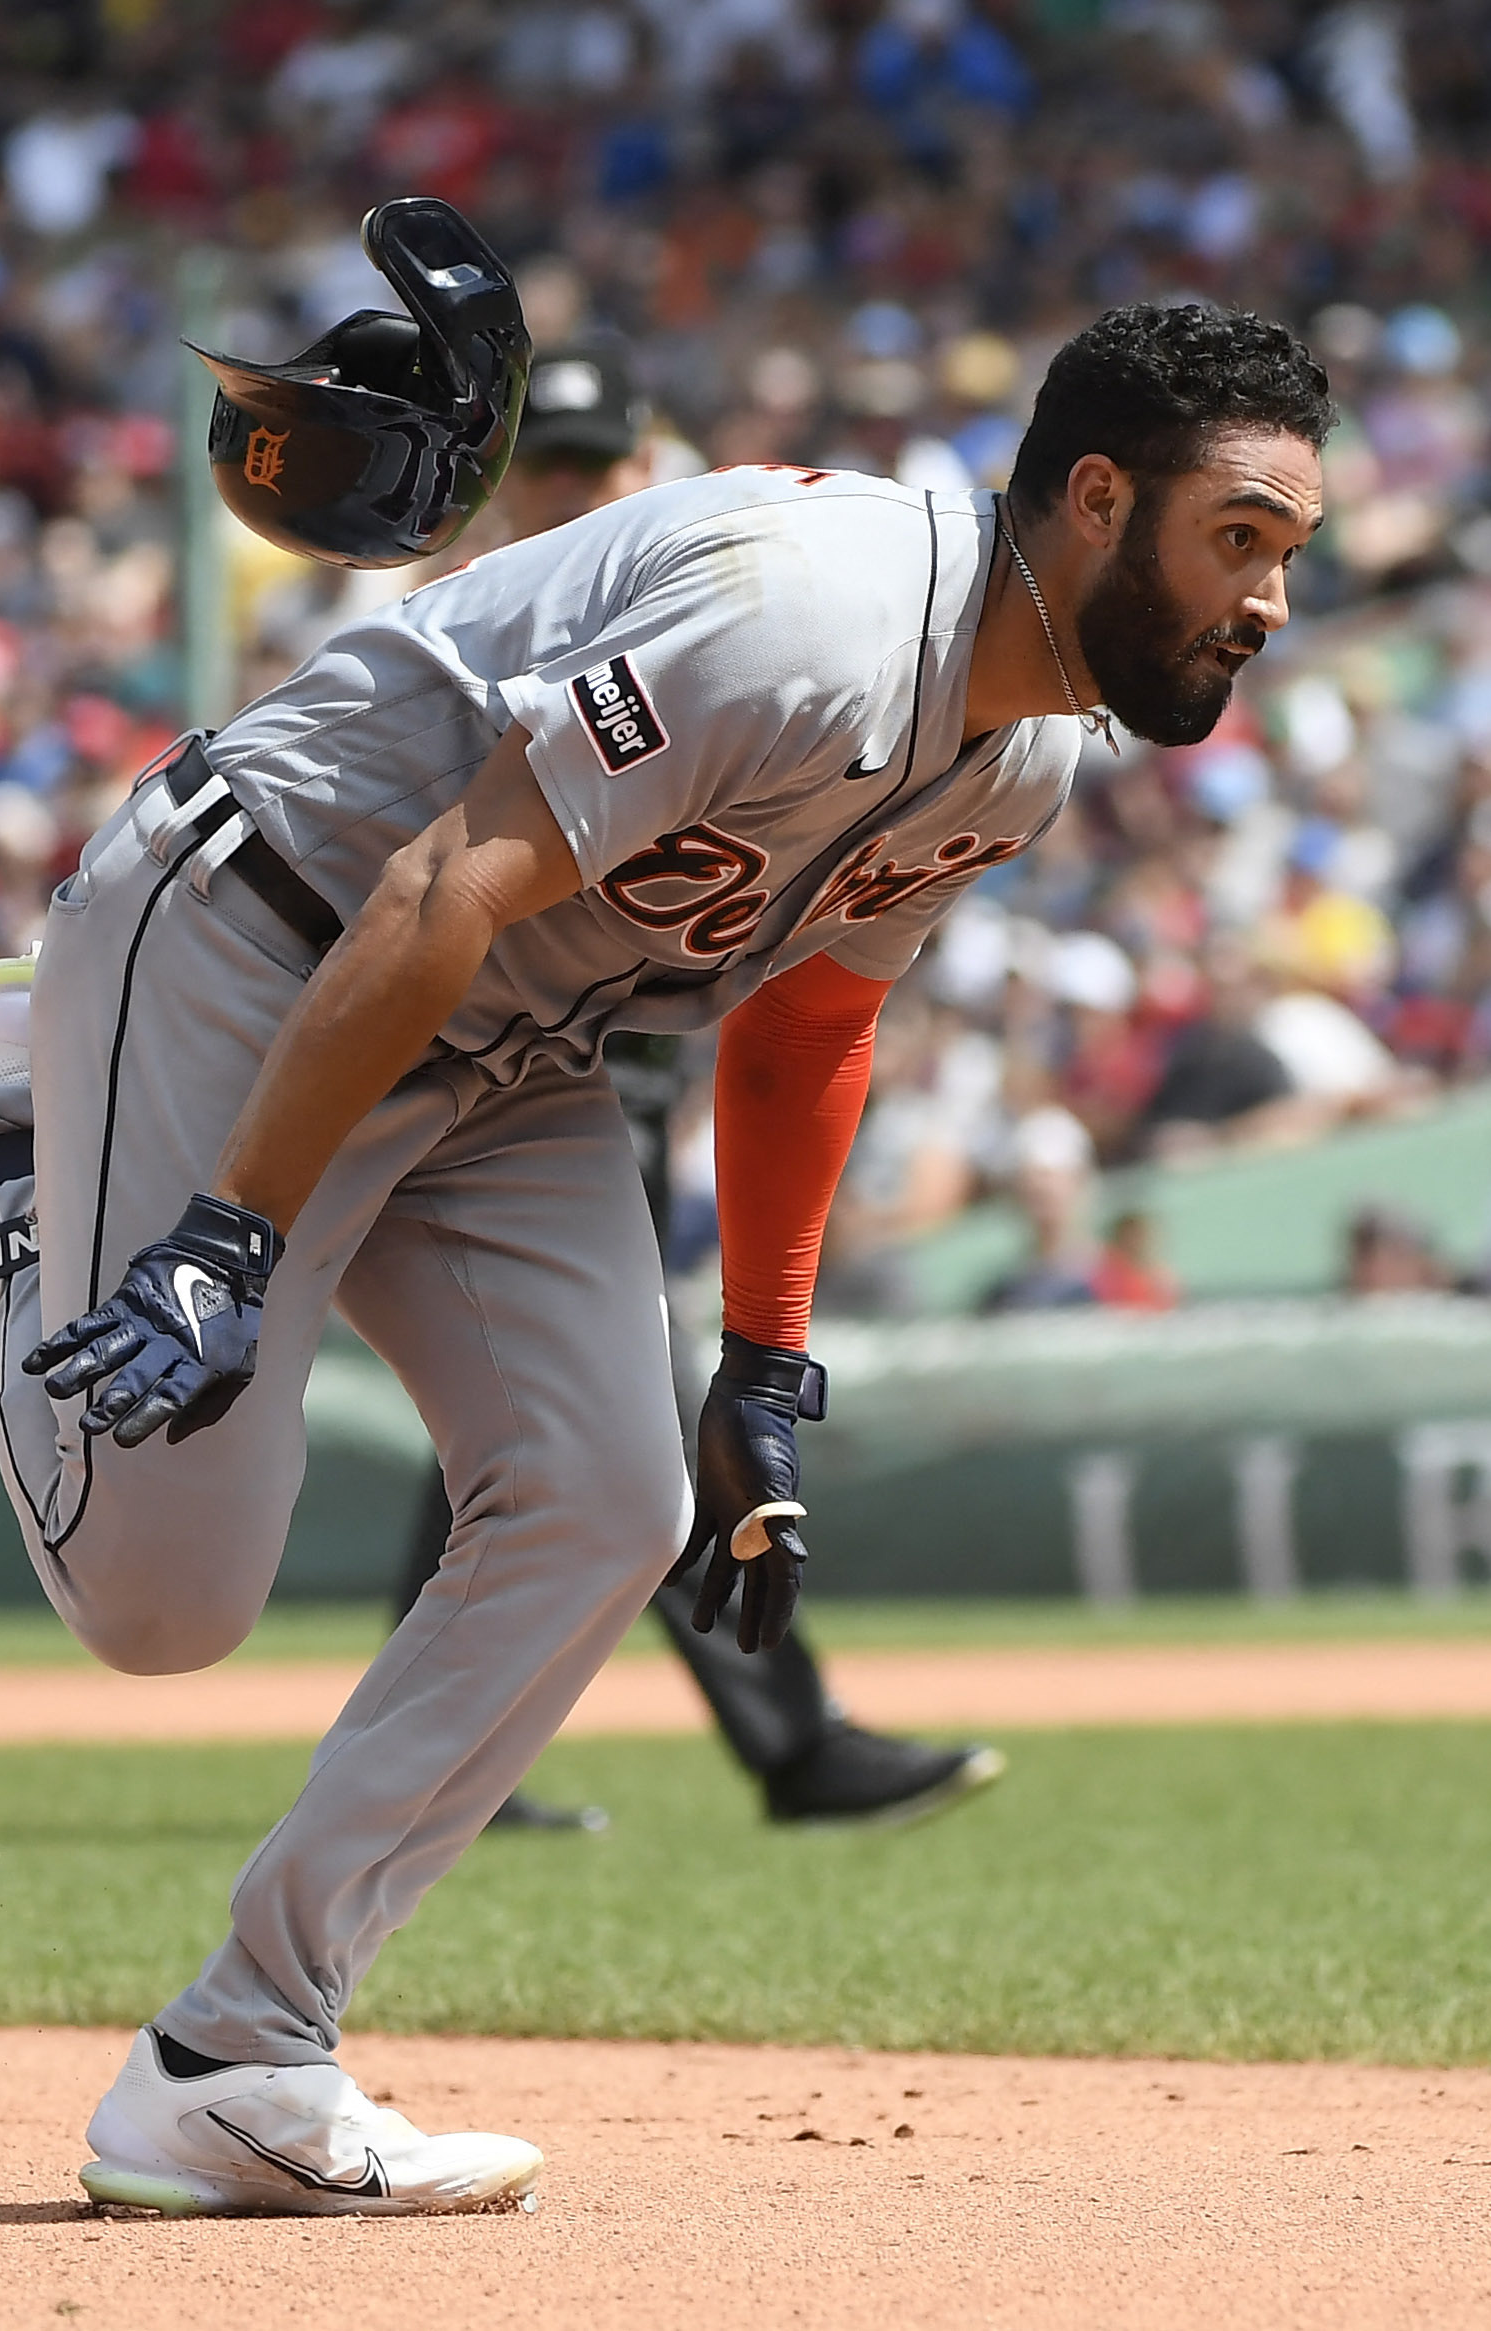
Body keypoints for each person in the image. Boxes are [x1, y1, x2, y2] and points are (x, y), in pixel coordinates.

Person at [0, 201, 1332, 2218]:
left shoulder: (1016, 759)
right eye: (1242, 539)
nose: (1271, 600)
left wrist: (761, 1352)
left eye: (1288, 552)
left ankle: (240, 2048)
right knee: (162, 1607)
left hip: (512, 1048)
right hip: (260, 939)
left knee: (604, 1496)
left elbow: (809, 1020)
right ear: (1096, 496)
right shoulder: (818, 614)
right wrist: (220, 1236)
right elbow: (437, 886)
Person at [399, 341, 1007, 1838]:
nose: (583, 488)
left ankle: (449, 1766)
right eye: (551, 466)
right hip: (476, 1067)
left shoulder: (714, 617)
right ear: (497, 490)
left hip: (614, 1073)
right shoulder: (465, 643)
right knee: (640, 1431)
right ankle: (795, 1744)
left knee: (514, 1443)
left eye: (604, 463)